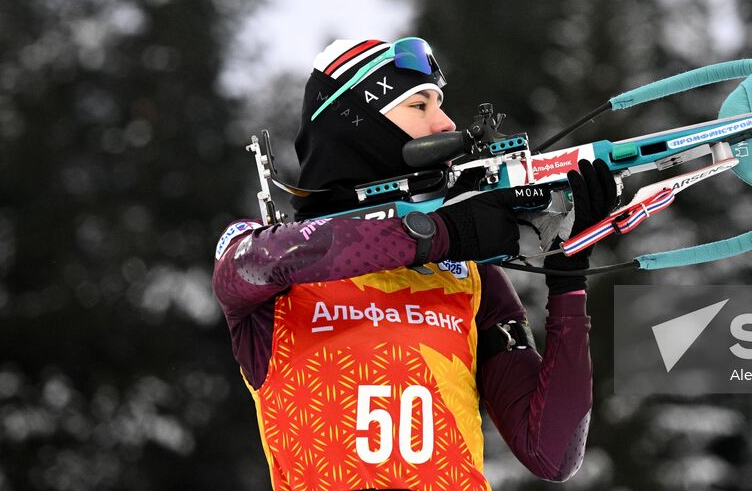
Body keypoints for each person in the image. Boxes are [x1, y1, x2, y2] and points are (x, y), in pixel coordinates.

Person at [212, 37, 619, 491]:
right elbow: (274, 258)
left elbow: (553, 452)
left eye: (439, 103)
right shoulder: (261, 255)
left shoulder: (466, 274)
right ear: (359, 125)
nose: (445, 122)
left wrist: (568, 283)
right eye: (419, 105)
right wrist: (445, 232)